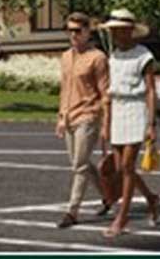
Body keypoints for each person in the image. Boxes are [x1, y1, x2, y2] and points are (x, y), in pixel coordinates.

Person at [101, 8, 160, 241]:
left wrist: (151, 123)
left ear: (130, 31)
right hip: (118, 109)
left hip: (136, 109)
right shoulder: (113, 56)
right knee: (121, 168)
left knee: (127, 165)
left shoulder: (143, 56)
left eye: (119, 29)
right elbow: (109, 92)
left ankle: (122, 217)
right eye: (113, 30)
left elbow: (151, 90)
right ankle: (151, 198)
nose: (115, 34)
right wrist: (106, 120)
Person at [55, 12, 111, 228]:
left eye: (78, 31)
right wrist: (61, 116)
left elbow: (105, 93)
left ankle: (72, 211)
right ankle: (107, 195)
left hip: (89, 116)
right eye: (69, 30)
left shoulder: (97, 58)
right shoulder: (66, 56)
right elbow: (64, 89)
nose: (73, 35)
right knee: (81, 162)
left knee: (79, 165)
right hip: (70, 116)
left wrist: (105, 123)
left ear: (88, 32)